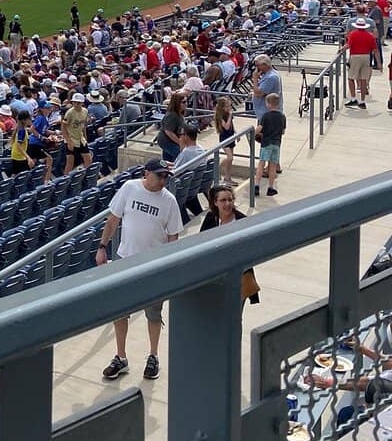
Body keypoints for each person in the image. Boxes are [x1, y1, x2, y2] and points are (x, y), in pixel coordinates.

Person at [97, 160, 182, 382]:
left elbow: (173, 236)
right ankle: (121, 357)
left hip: (153, 266)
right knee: (119, 312)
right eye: (159, 176)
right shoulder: (129, 188)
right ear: (147, 174)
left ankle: (153, 356)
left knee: (153, 314)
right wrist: (102, 247)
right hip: (125, 260)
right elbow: (113, 219)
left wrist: (169, 265)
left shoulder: (169, 201)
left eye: (166, 177)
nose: (163, 180)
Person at [199, 183, 260, 307]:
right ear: (215, 203)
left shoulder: (243, 221)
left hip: (238, 277)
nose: (227, 204)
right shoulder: (211, 218)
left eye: (230, 200)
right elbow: (201, 244)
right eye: (223, 200)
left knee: (234, 316)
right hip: (215, 276)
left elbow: (251, 249)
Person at [255, 93, 286, 197]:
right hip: (276, 143)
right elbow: (283, 131)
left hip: (266, 143)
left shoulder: (265, 116)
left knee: (261, 164)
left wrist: (254, 133)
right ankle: (271, 187)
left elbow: (259, 129)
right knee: (272, 166)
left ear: (268, 104)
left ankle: (256, 185)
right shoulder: (282, 116)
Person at [346, 17, 378, 109]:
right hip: (366, 57)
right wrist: (379, 63)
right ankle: (363, 101)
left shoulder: (353, 34)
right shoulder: (370, 35)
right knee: (363, 79)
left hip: (355, 56)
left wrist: (341, 49)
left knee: (351, 78)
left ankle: (353, 99)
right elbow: (375, 50)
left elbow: (348, 45)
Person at [61, 92, 92, 168]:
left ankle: (86, 176)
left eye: (78, 102)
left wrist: (85, 136)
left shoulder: (85, 111)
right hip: (71, 139)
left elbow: (83, 125)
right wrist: (69, 142)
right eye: (74, 102)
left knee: (88, 159)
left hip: (80, 139)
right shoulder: (70, 113)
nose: (76, 104)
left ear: (82, 103)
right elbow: (63, 127)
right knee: (70, 163)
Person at [214, 95, 237, 181]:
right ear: (222, 107)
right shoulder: (220, 116)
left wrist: (235, 133)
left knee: (231, 160)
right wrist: (230, 116)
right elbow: (226, 126)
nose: (229, 108)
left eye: (229, 106)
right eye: (227, 106)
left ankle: (228, 177)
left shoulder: (228, 114)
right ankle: (217, 168)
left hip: (231, 136)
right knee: (229, 157)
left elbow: (231, 125)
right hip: (224, 138)